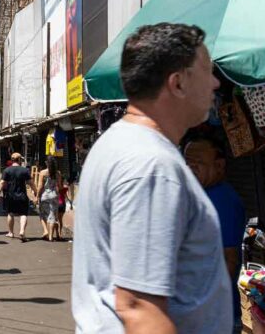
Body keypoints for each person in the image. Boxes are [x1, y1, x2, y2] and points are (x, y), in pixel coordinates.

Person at [72, 23, 229, 333]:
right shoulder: (150, 165)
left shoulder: (123, 145)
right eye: (207, 71)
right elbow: (139, 310)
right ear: (178, 83)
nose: (215, 84)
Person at [184, 136, 246, 330]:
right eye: (187, 162)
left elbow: (229, 259)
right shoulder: (200, 195)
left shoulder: (222, 200)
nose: (191, 168)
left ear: (219, 166)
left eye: (199, 162)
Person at [0, 153, 36, 242]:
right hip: (22, 196)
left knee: (10, 213)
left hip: (10, 196)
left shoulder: (7, 170)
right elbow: (31, 183)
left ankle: (11, 232)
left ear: (12, 160)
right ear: (19, 160)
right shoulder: (25, 170)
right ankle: (22, 231)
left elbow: (2, 182)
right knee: (23, 214)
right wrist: (36, 192)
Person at [36, 156, 62, 242]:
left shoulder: (43, 172)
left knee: (43, 214)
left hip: (45, 195)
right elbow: (60, 186)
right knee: (52, 215)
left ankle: (46, 231)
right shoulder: (58, 173)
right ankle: (51, 236)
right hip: (54, 195)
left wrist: (37, 196)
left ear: (47, 163)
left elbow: (40, 186)